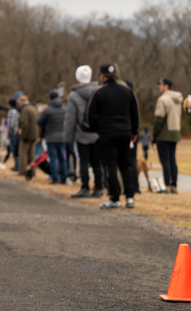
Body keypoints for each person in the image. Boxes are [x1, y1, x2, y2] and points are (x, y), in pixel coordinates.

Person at [84, 63, 139, 209]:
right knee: (125, 165)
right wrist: (134, 131)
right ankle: (130, 197)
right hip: (125, 133)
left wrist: (98, 129)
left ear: (102, 76)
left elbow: (89, 116)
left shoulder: (99, 92)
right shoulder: (127, 91)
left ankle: (115, 198)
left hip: (107, 134)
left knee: (111, 166)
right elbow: (135, 113)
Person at [64, 65, 103, 199]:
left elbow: (70, 118)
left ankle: (85, 187)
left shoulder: (74, 95)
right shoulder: (98, 92)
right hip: (97, 133)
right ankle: (98, 188)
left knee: (83, 162)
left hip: (81, 133)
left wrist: (67, 137)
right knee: (97, 162)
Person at [152, 77, 182, 193]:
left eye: (161, 84)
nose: (159, 86)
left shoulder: (163, 99)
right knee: (172, 159)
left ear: (166, 86)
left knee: (165, 161)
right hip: (175, 132)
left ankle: (167, 184)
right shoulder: (177, 98)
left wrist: (154, 135)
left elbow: (159, 119)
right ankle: (174, 184)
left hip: (164, 133)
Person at [37, 90, 68, 184]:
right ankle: (64, 178)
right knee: (62, 159)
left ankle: (54, 178)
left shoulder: (47, 110)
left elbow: (39, 122)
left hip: (51, 138)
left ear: (50, 99)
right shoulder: (64, 109)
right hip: (62, 137)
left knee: (53, 159)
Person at [17, 95, 39, 179]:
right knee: (31, 154)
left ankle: (23, 171)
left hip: (27, 135)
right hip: (34, 135)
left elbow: (24, 123)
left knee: (23, 153)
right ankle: (33, 171)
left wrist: (23, 135)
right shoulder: (33, 108)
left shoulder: (25, 110)